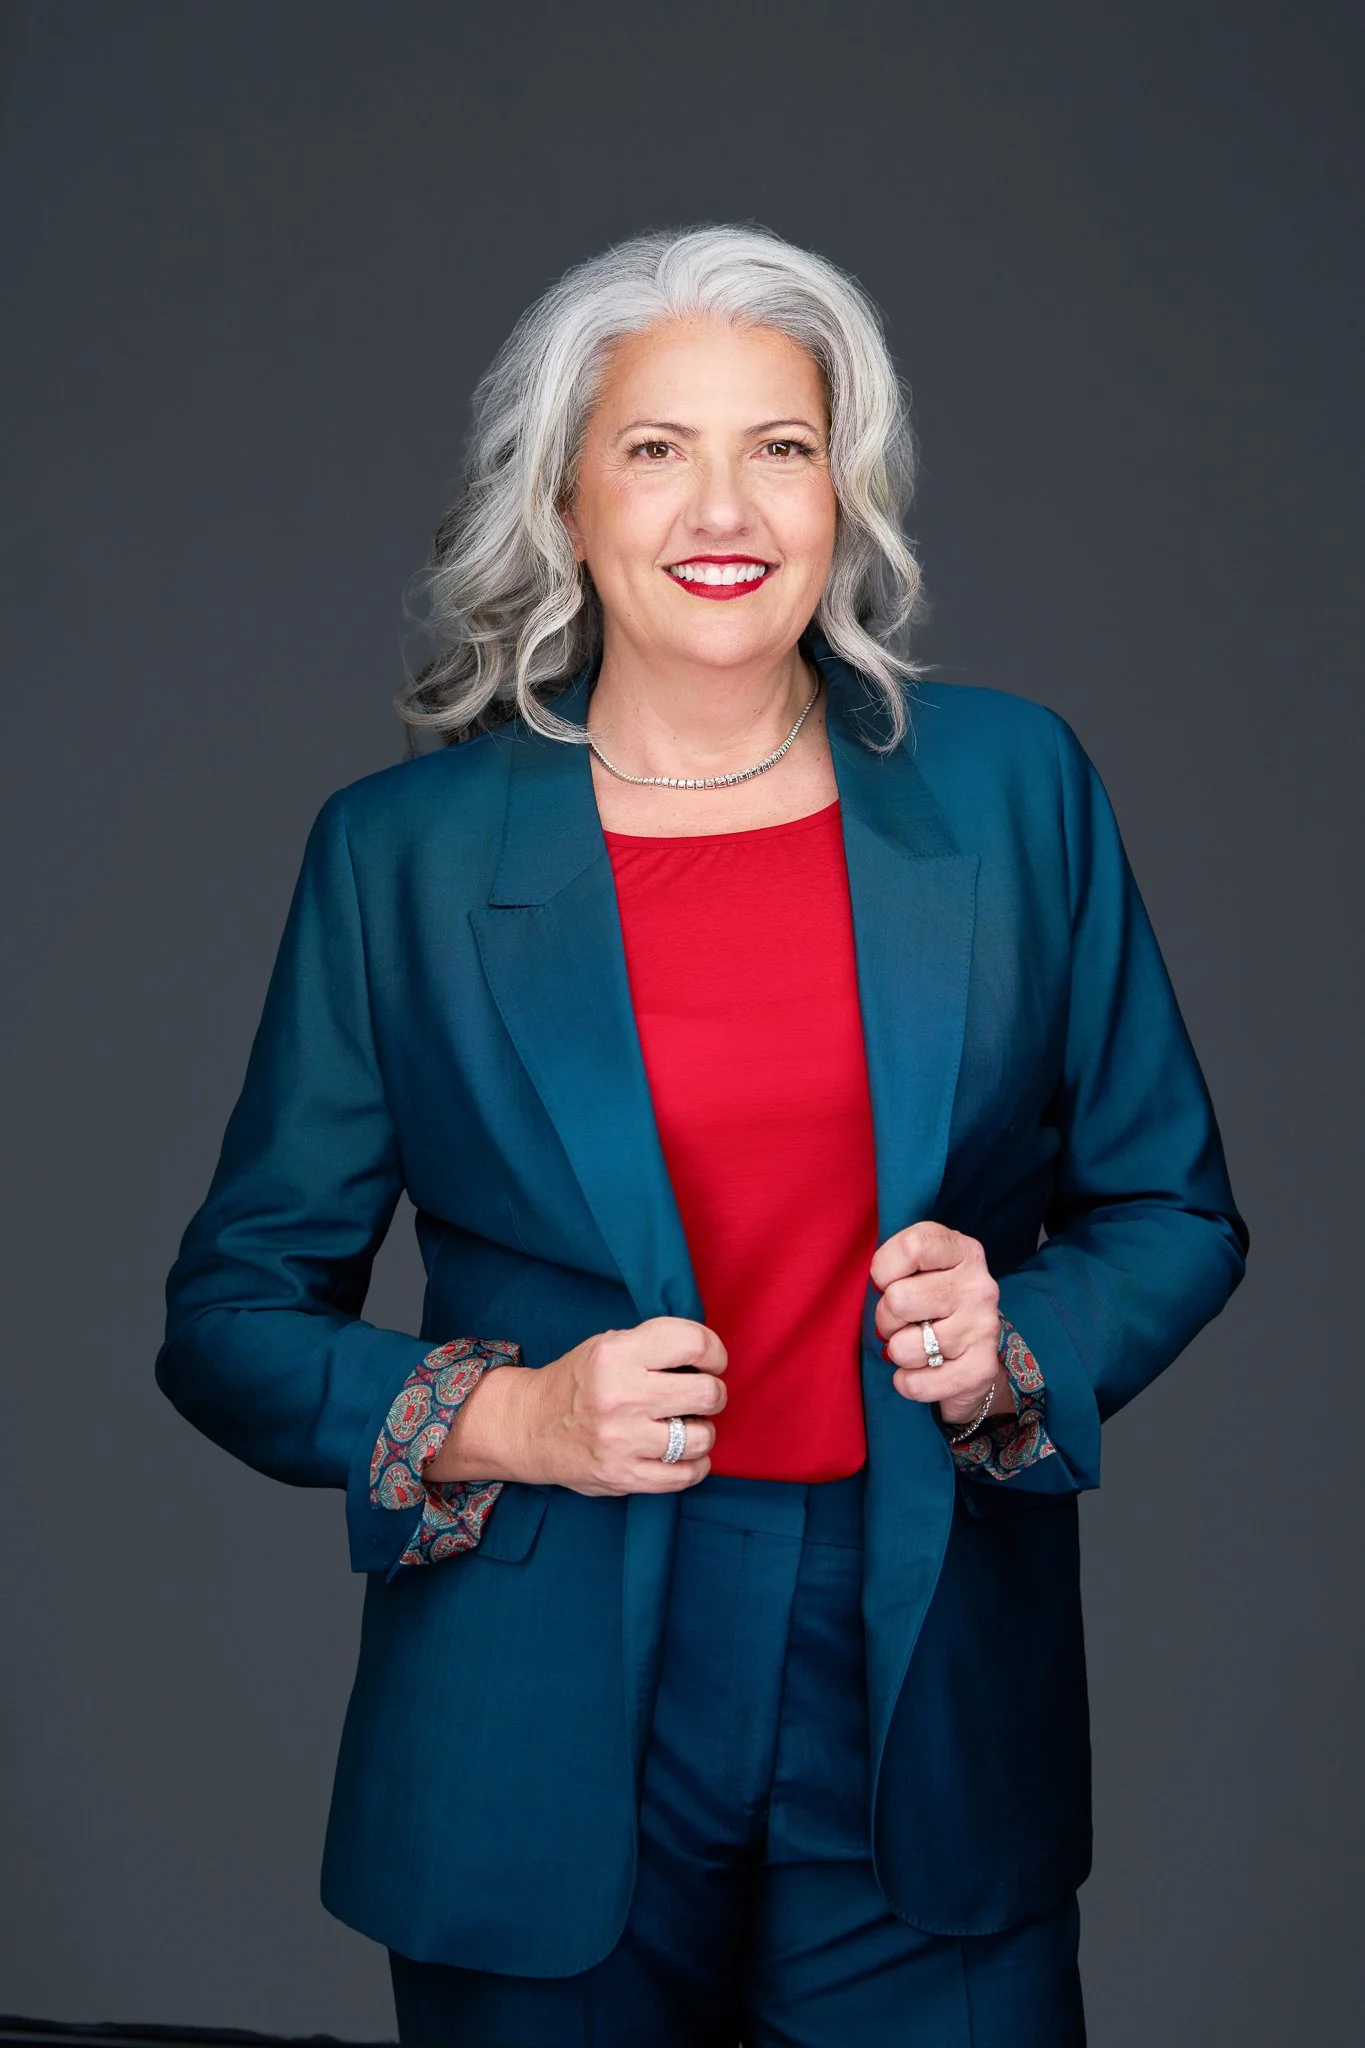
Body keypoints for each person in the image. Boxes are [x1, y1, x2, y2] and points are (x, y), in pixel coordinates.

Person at [156, 224, 1248, 2046]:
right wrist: (509, 1417)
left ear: (846, 495)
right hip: (541, 1695)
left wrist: (1015, 1350)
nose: (722, 503)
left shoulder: (1012, 787)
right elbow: (233, 1315)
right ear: (563, 500)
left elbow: (1172, 1208)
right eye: (656, 448)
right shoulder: (401, 857)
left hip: (922, 1680)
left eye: (784, 445)